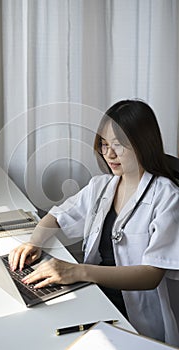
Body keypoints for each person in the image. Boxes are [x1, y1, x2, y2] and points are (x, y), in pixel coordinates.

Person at [9, 99, 179, 346]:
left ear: (143, 144)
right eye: (104, 144)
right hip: (96, 296)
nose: (109, 154)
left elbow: (151, 275)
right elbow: (57, 216)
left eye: (119, 146)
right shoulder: (102, 186)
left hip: (137, 318)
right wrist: (33, 243)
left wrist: (77, 271)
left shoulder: (167, 197)